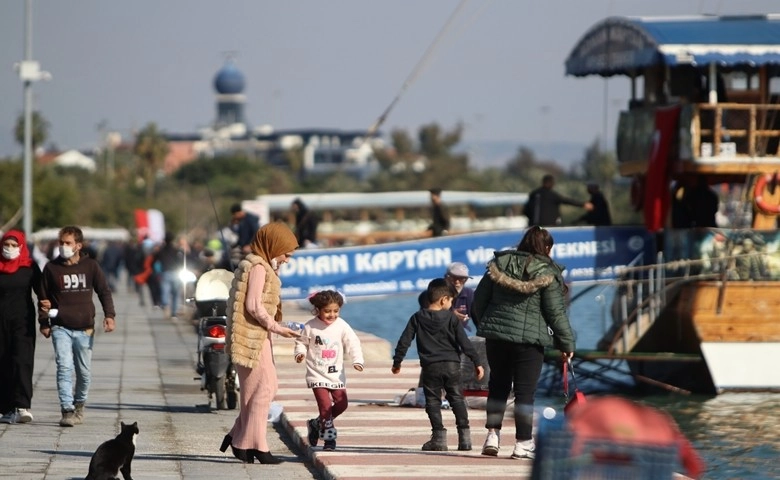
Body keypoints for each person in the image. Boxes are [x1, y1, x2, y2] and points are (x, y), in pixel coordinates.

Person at [472, 225, 575, 459]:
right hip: (530, 341)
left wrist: (487, 325)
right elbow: (555, 313)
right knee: (525, 392)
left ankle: (492, 436)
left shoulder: (499, 264)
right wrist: (566, 344)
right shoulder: (548, 272)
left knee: (498, 385)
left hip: (496, 337)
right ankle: (523, 444)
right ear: (547, 248)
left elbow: (479, 299)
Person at [220, 222, 301, 464]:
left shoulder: (261, 265)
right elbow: (253, 305)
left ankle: (238, 438)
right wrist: (277, 327)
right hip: (252, 339)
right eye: (286, 253)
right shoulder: (258, 268)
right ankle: (254, 445)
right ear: (273, 246)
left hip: (255, 337)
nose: (287, 259)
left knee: (256, 391)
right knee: (265, 389)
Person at [392, 278, 485, 452]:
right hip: (452, 365)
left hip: (430, 367)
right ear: (444, 300)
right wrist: (477, 362)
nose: (452, 304)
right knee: (457, 399)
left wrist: (397, 362)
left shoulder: (417, 317)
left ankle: (439, 438)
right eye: (451, 300)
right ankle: (465, 439)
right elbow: (464, 342)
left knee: (433, 401)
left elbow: (405, 340)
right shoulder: (451, 318)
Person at [39, 226, 116, 427]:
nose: (63, 246)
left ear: (78, 245)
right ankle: (67, 409)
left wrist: (109, 315)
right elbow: (43, 297)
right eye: (61, 243)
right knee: (64, 367)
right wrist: (44, 322)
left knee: (83, 371)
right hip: (60, 326)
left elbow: (104, 292)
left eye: (68, 243)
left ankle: (79, 404)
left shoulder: (90, 266)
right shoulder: (51, 268)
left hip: (85, 328)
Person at [294, 290, 364, 451]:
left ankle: (316, 423)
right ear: (318, 309)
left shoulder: (341, 325)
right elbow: (301, 342)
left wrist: (357, 360)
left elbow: (352, 342)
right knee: (325, 406)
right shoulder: (310, 326)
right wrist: (300, 353)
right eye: (327, 311)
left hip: (336, 374)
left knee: (342, 404)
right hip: (316, 373)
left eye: (336, 311)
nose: (332, 315)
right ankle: (329, 440)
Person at [0, 230, 43, 424]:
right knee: (2, 362)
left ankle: (22, 405)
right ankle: (5, 407)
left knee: (22, 361)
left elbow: (44, 293)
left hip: (22, 322)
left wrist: (47, 320)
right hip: (0, 322)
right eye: (6, 245)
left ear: (21, 247)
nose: (9, 249)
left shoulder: (29, 268)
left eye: (13, 245)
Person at [523, 174, 593, 226]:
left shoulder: (534, 194)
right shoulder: (552, 195)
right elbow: (567, 201)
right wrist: (583, 204)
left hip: (533, 226)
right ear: (552, 183)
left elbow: (525, 211)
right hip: (550, 226)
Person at [154, 232, 183, 319]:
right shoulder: (176, 250)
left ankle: (165, 304)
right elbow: (181, 261)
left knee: (165, 291)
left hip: (165, 273)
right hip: (176, 273)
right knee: (175, 294)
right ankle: (174, 313)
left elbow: (155, 260)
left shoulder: (161, 250)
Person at [444, 262, 475, 333]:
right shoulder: (437, 293)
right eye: (453, 278)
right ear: (446, 277)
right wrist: (450, 316)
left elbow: (475, 315)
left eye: (462, 278)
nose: (457, 282)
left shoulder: (469, 293)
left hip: (462, 330)